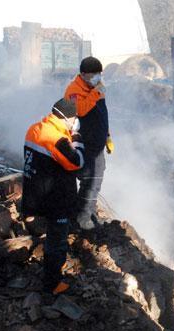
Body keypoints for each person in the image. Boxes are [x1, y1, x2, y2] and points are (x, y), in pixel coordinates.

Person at [21, 98, 85, 295]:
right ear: (67, 118)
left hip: (35, 194)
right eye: (74, 118)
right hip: (56, 199)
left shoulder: (34, 128)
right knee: (57, 241)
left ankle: (51, 276)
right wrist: (77, 140)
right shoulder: (57, 139)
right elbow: (77, 162)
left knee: (53, 236)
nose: (75, 121)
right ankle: (53, 284)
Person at [64, 56, 113, 230]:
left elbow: (101, 114)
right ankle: (82, 217)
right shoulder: (74, 90)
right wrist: (96, 93)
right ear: (83, 74)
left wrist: (107, 136)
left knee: (96, 179)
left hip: (97, 142)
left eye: (99, 74)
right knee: (90, 180)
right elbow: (81, 110)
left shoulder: (94, 88)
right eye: (94, 74)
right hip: (85, 143)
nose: (98, 78)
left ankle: (88, 212)